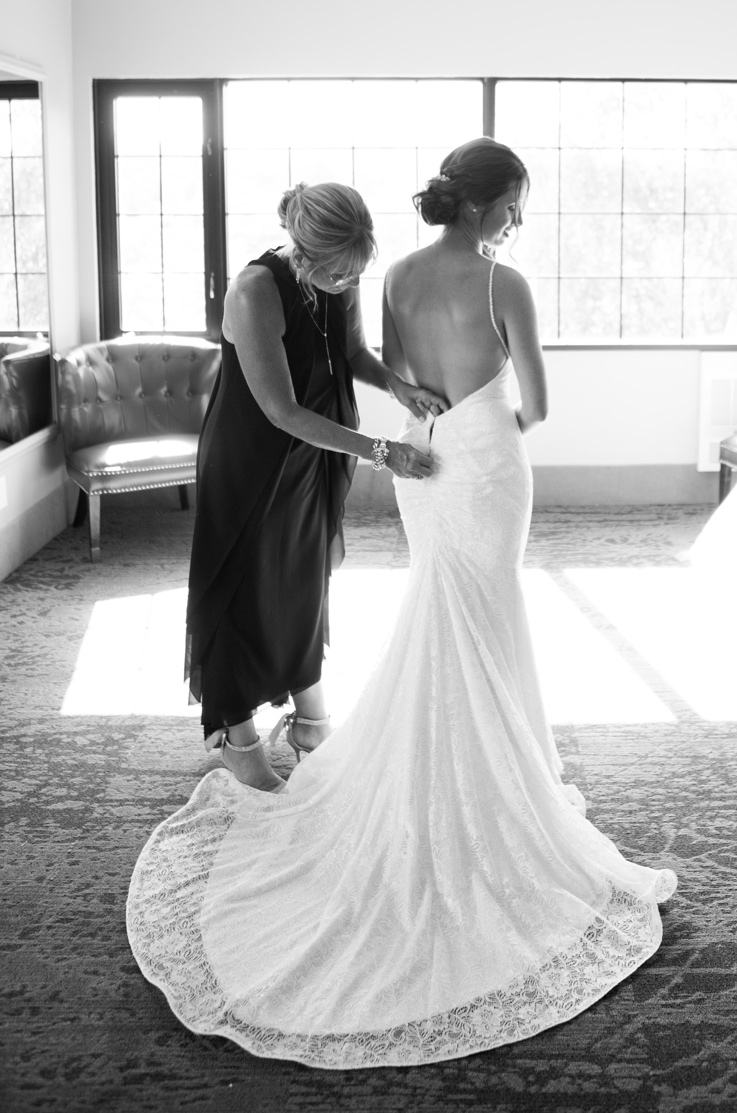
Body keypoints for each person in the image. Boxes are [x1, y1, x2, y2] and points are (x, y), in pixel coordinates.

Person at [128, 140, 676, 1069]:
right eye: (515, 204)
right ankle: (255, 727)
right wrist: (423, 435)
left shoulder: (372, 281)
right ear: (486, 205)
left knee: (371, 592)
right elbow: (522, 405)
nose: (516, 221)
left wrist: (407, 399)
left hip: (398, 451)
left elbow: (361, 357)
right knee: (424, 607)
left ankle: (345, 718)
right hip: (360, 451)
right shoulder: (295, 290)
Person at [185, 181, 446, 793]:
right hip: (255, 458)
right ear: (303, 255)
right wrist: (385, 451)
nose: (346, 283)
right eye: (337, 274)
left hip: (318, 453)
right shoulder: (255, 292)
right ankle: (238, 737)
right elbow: (282, 412)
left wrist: (398, 388)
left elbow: (352, 351)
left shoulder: (338, 271)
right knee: (244, 589)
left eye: (355, 272)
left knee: (302, 578)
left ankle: (310, 720)